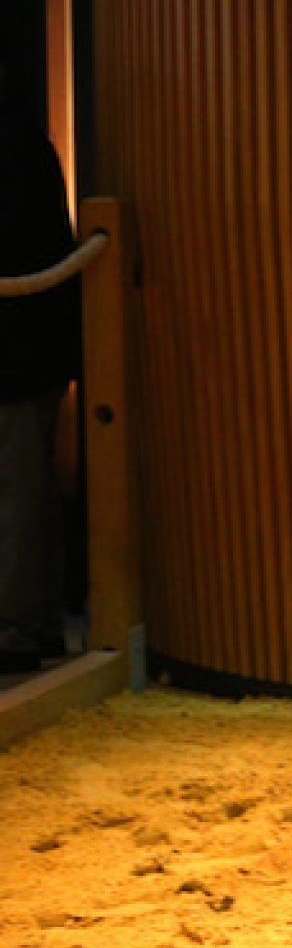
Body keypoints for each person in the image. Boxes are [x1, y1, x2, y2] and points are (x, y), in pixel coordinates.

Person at [0, 94, 81, 673]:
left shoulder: (15, 142)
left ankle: (21, 627)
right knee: (21, 491)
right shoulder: (22, 135)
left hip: (17, 349)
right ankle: (26, 623)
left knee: (19, 491)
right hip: (27, 345)